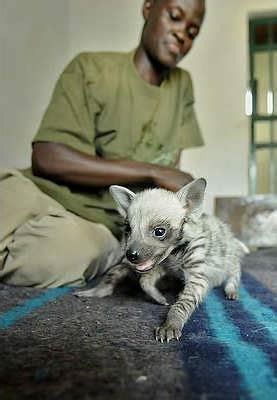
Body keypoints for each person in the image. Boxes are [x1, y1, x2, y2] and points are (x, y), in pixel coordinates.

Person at [0, 0, 206, 288]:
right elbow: (48, 157)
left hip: (98, 224)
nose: (182, 34)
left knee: (57, 258)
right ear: (148, 8)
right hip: (38, 190)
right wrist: (151, 171)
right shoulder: (92, 68)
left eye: (193, 31)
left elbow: (167, 191)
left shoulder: (181, 85)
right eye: (175, 17)